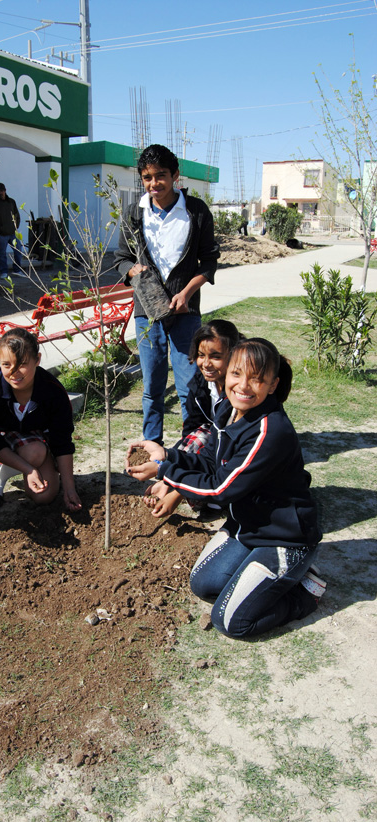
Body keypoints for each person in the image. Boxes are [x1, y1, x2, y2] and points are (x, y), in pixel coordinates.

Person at [125, 338, 325, 639]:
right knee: (204, 585)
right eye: (237, 374)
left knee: (231, 622)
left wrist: (165, 472)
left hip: (285, 537)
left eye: (257, 379)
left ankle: (303, 592)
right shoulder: (227, 412)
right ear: (226, 374)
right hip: (249, 526)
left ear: (273, 385)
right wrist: (166, 455)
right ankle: (277, 578)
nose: (244, 386)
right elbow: (208, 461)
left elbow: (221, 489)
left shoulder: (270, 431)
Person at [114, 144, 220, 445]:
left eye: (160, 176)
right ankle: (152, 445)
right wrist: (132, 270)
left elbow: (210, 261)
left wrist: (187, 292)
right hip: (147, 314)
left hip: (186, 315)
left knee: (190, 384)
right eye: (147, 178)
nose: (154, 184)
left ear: (175, 175)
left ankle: (192, 445)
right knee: (152, 386)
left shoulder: (195, 211)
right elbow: (121, 258)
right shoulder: (135, 213)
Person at [140, 318, 241, 518]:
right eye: (201, 355)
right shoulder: (200, 384)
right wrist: (170, 477)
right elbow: (192, 429)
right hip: (214, 439)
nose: (206, 363)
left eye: (216, 356)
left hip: (233, 446)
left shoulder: (239, 391)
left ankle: (208, 496)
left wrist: (177, 493)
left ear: (233, 354)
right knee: (193, 442)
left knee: (210, 451)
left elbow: (228, 442)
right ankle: (170, 485)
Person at [0, 328, 82, 512]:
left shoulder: (53, 391)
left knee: (44, 495)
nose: (14, 372)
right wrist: (29, 470)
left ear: (37, 360)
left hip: (34, 441)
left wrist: (69, 488)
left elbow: (62, 440)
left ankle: (23, 466)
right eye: (6, 364)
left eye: (22, 363)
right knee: (32, 452)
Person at [0, 182, 24, 278]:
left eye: (2, 190)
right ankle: (4, 271)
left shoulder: (11, 202)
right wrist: (0, 229)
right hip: (2, 234)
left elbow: (17, 215)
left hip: (13, 232)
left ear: (5, 190)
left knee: (18, 252)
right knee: (3, 253)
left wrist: (16, 226)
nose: (1, 192)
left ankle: (17, 270)